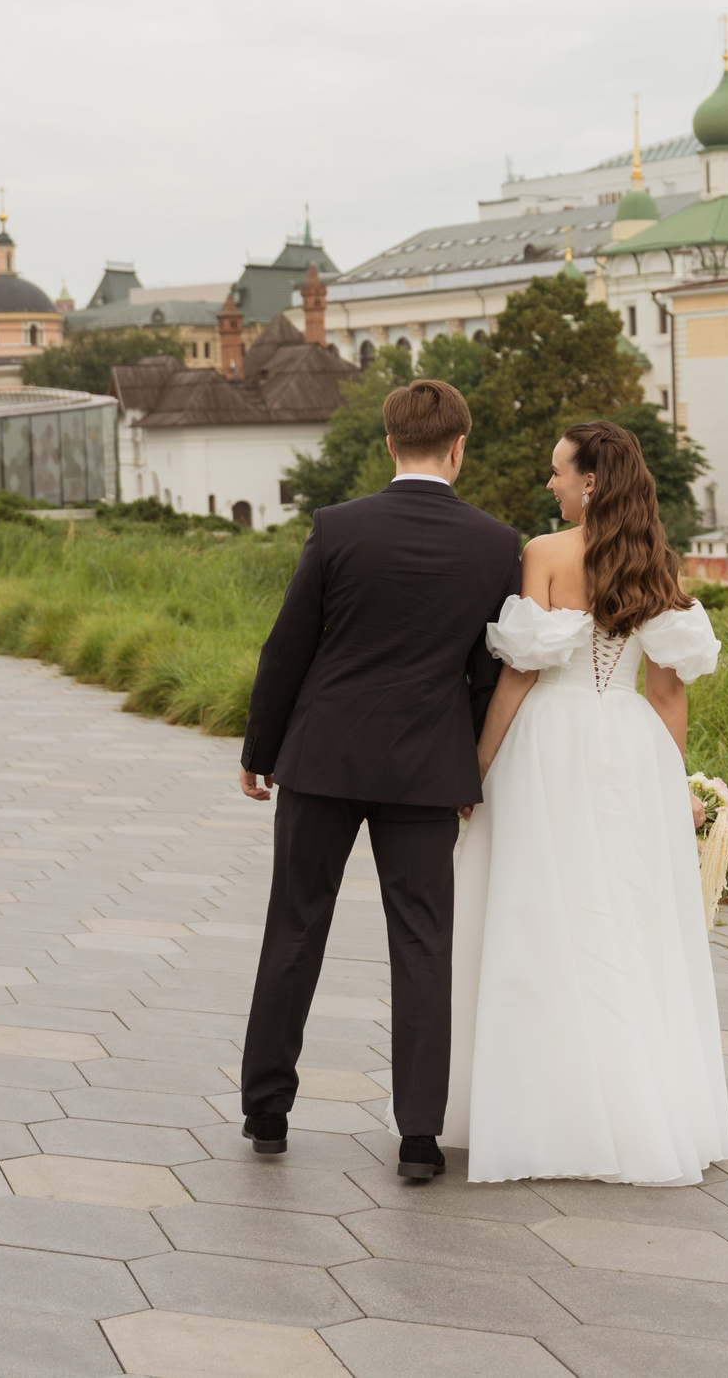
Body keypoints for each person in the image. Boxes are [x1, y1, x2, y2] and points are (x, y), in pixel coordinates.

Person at [237, 379, 520, 1183]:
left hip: (323, 757)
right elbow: (482, 673)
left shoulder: (338, 527)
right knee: (425, 942)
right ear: (459, 446)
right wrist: (466, 764)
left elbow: (286, 647)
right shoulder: (497, 546)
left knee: (295, 923)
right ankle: (420, 1135)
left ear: (389, 443)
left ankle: (267, 1107)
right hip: (427, 767)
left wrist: (261, 747)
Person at [442, 419, 728, 1184]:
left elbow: (519, 677)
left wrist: (474, 768)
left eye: (557, 471)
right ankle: (643, 1106)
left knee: (536, 910)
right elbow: (668, 692)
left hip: (547, 745)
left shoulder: (543, 553)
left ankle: (541, 1109)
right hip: (630, 746)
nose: (551, 484)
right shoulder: (656, 564)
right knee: (629, 916)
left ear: (591, 480)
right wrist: (673, 787)